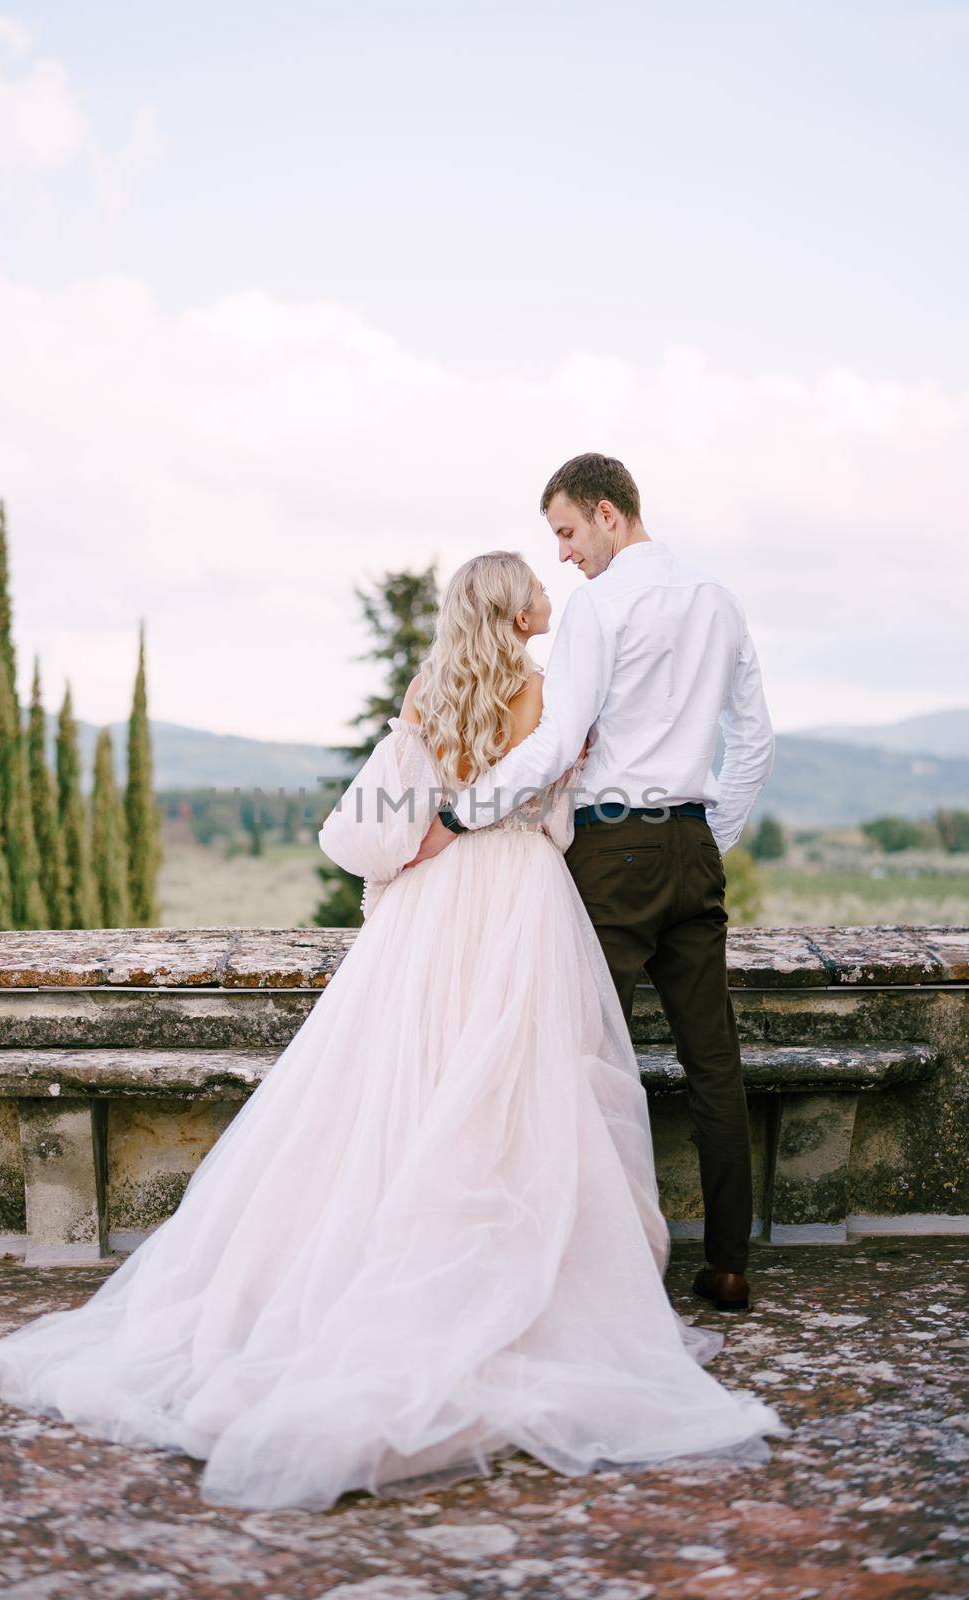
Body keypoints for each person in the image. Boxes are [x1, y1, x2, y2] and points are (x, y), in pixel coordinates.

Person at [0, 547, 786, 1514]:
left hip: (433, 910)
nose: (547, 593)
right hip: (524, 900)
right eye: (533, 585)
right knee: (521, 1086)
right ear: (515, 609)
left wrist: (415, 848)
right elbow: (560, 798)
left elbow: (365, 825)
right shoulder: (555, 696)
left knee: (412, 1081)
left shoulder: (429, 694)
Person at [407, 453, 777, 1314]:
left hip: (613, 855)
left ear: (609, 513)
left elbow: (555, 738)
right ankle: (727, 1264)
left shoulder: (598, 607)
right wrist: (701, 836)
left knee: (568, 1056)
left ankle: (573, 1262)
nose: (565, 555)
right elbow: (753, 743)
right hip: (693, 845)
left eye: (568, 532)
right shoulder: (718, 602)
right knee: (712, 1064)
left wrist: (462, 815)